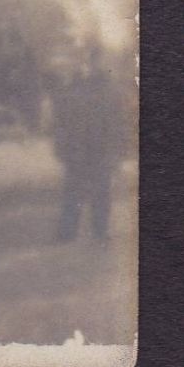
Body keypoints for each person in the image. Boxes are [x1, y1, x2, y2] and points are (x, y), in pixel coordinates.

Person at [52, 42, 128, 243]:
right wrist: (61, 146)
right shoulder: (69, 88)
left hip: (100, 148)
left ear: (98, 62)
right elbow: (60, 122)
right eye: (82, 60)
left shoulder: (108, 89)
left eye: (90, 60)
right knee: (72, 192)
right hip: (76, 148)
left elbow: (118, 122)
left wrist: (118, 151)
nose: (85, 65)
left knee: (101, 192)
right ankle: (67, 233)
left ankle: (100, 232)